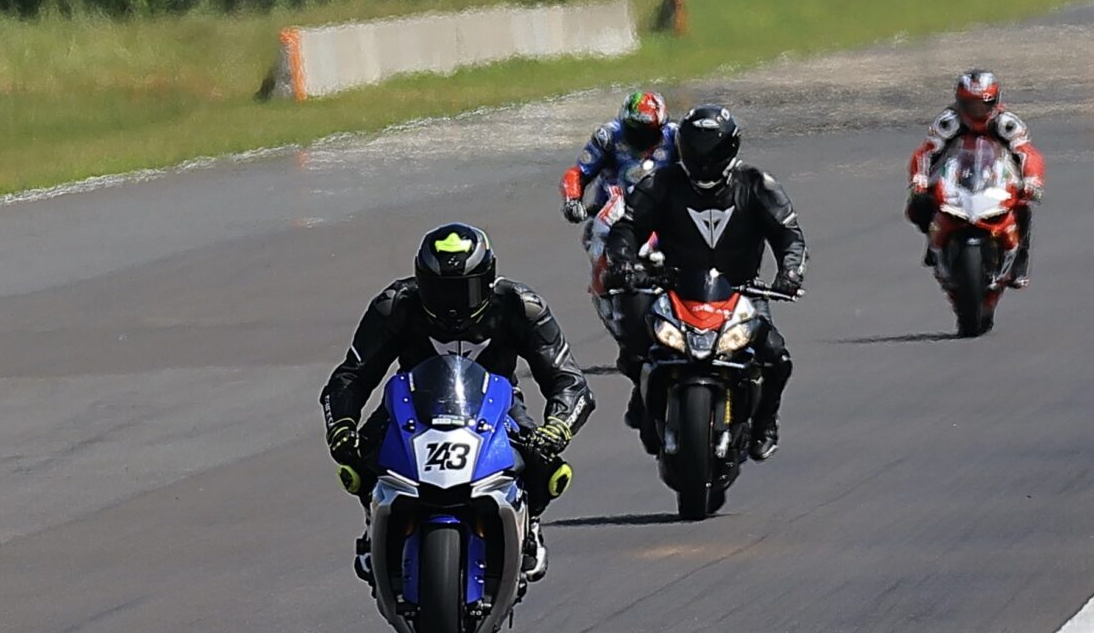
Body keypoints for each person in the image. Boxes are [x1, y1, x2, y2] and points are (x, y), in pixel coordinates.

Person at [322, 222, 594, 586]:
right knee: (357, 458)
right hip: (410, 403)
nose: (452, 305)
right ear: (420, 282)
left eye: (464, 290)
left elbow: (569, 380)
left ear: (489, 281)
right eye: (439, 291)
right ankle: (375, 523)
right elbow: (352, 375)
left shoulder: (520, 306)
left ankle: (530, 525)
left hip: (498, 405)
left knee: (546, 466)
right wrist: (341, 424)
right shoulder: (396, 305)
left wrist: (557, 426)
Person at [606, 104, 807, 459]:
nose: (702, 162)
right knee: (634, 346)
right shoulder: (661, 183)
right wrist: (624, 263)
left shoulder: (756, 184)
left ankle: (765, 421)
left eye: (710, 153)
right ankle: (644, 392)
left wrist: (789, 274)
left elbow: (788, 234)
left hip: (743, 291)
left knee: (777, 358)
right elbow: (627, 229)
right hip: (676, 288)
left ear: (730, 149)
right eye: (694, 151)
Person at [904, 70, 1047, 286]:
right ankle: (933, 240)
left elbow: (1027, 152)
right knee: (918, 203)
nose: (977, 110)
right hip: (953, 172)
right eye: (971, 104)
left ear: (994, 101)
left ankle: (1020, 261)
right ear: (960, 102)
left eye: (983, 104)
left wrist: (1032, 180)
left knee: (1023, 207)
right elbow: (926, 152)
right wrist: (919, 179)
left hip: (998, 173)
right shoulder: (949, 121)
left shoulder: (1007, 123)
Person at [560, 91, 675, 227]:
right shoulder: (608, 137)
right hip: (611, 216)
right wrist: (573, 200)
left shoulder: (674, 136)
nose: (640, 136)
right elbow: (578, 173)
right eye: (634, 128)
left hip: (662, 213)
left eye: (646, 130)